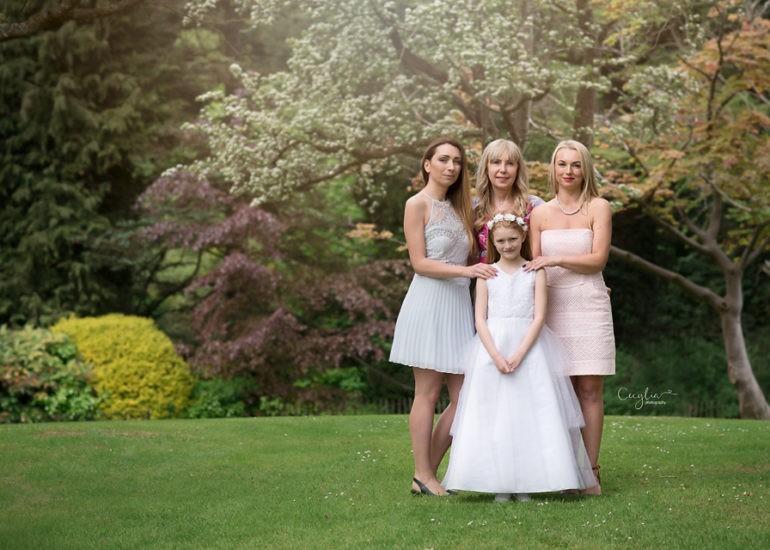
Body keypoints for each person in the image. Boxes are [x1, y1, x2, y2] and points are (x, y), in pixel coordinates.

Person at [442, 213, 596, 501]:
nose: (507, 245)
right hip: (493, 349)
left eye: (513, 239)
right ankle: (499, 483)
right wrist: (497, 356)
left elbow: (539, 317)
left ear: (523, 236)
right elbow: (480, 319)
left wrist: (520, 353)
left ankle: (528, 481)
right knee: (495, 414)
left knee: (530, 414)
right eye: (501, 241)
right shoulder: (487, 274)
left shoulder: (535, 271)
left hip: (530, 348)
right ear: (492, 241)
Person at [390, 137, 498, 496]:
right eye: (443, 159)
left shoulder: (464, 208)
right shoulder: (416, 204)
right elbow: (420, 263)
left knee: (466, 395)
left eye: (457, 161)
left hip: (459, 307)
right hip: (429, 304)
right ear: (427, 164)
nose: (451, 167)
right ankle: (423, 474)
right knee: (427, 392)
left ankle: (427, 473)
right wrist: (467, 272)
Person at [525, 139, 615, 495]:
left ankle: (590, 472)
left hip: (589, 305)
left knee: (589, 390)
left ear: (585, 169)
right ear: (553, 168)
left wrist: (557, 259)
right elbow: (533, 267)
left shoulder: (598, 207)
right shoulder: (540, 214)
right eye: (562, 164)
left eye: (576, 164)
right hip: (552, 309)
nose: (568, 171)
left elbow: (598, 260)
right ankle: (564, 470)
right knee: (559, 392)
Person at [473, 139, 545, 262]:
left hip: (524, 272)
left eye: (510, 163)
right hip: (485, 273)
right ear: (486, 168)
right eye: (496, 162)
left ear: (518, 169)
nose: (503, 169)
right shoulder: (475, 207)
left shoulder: (534, 206)